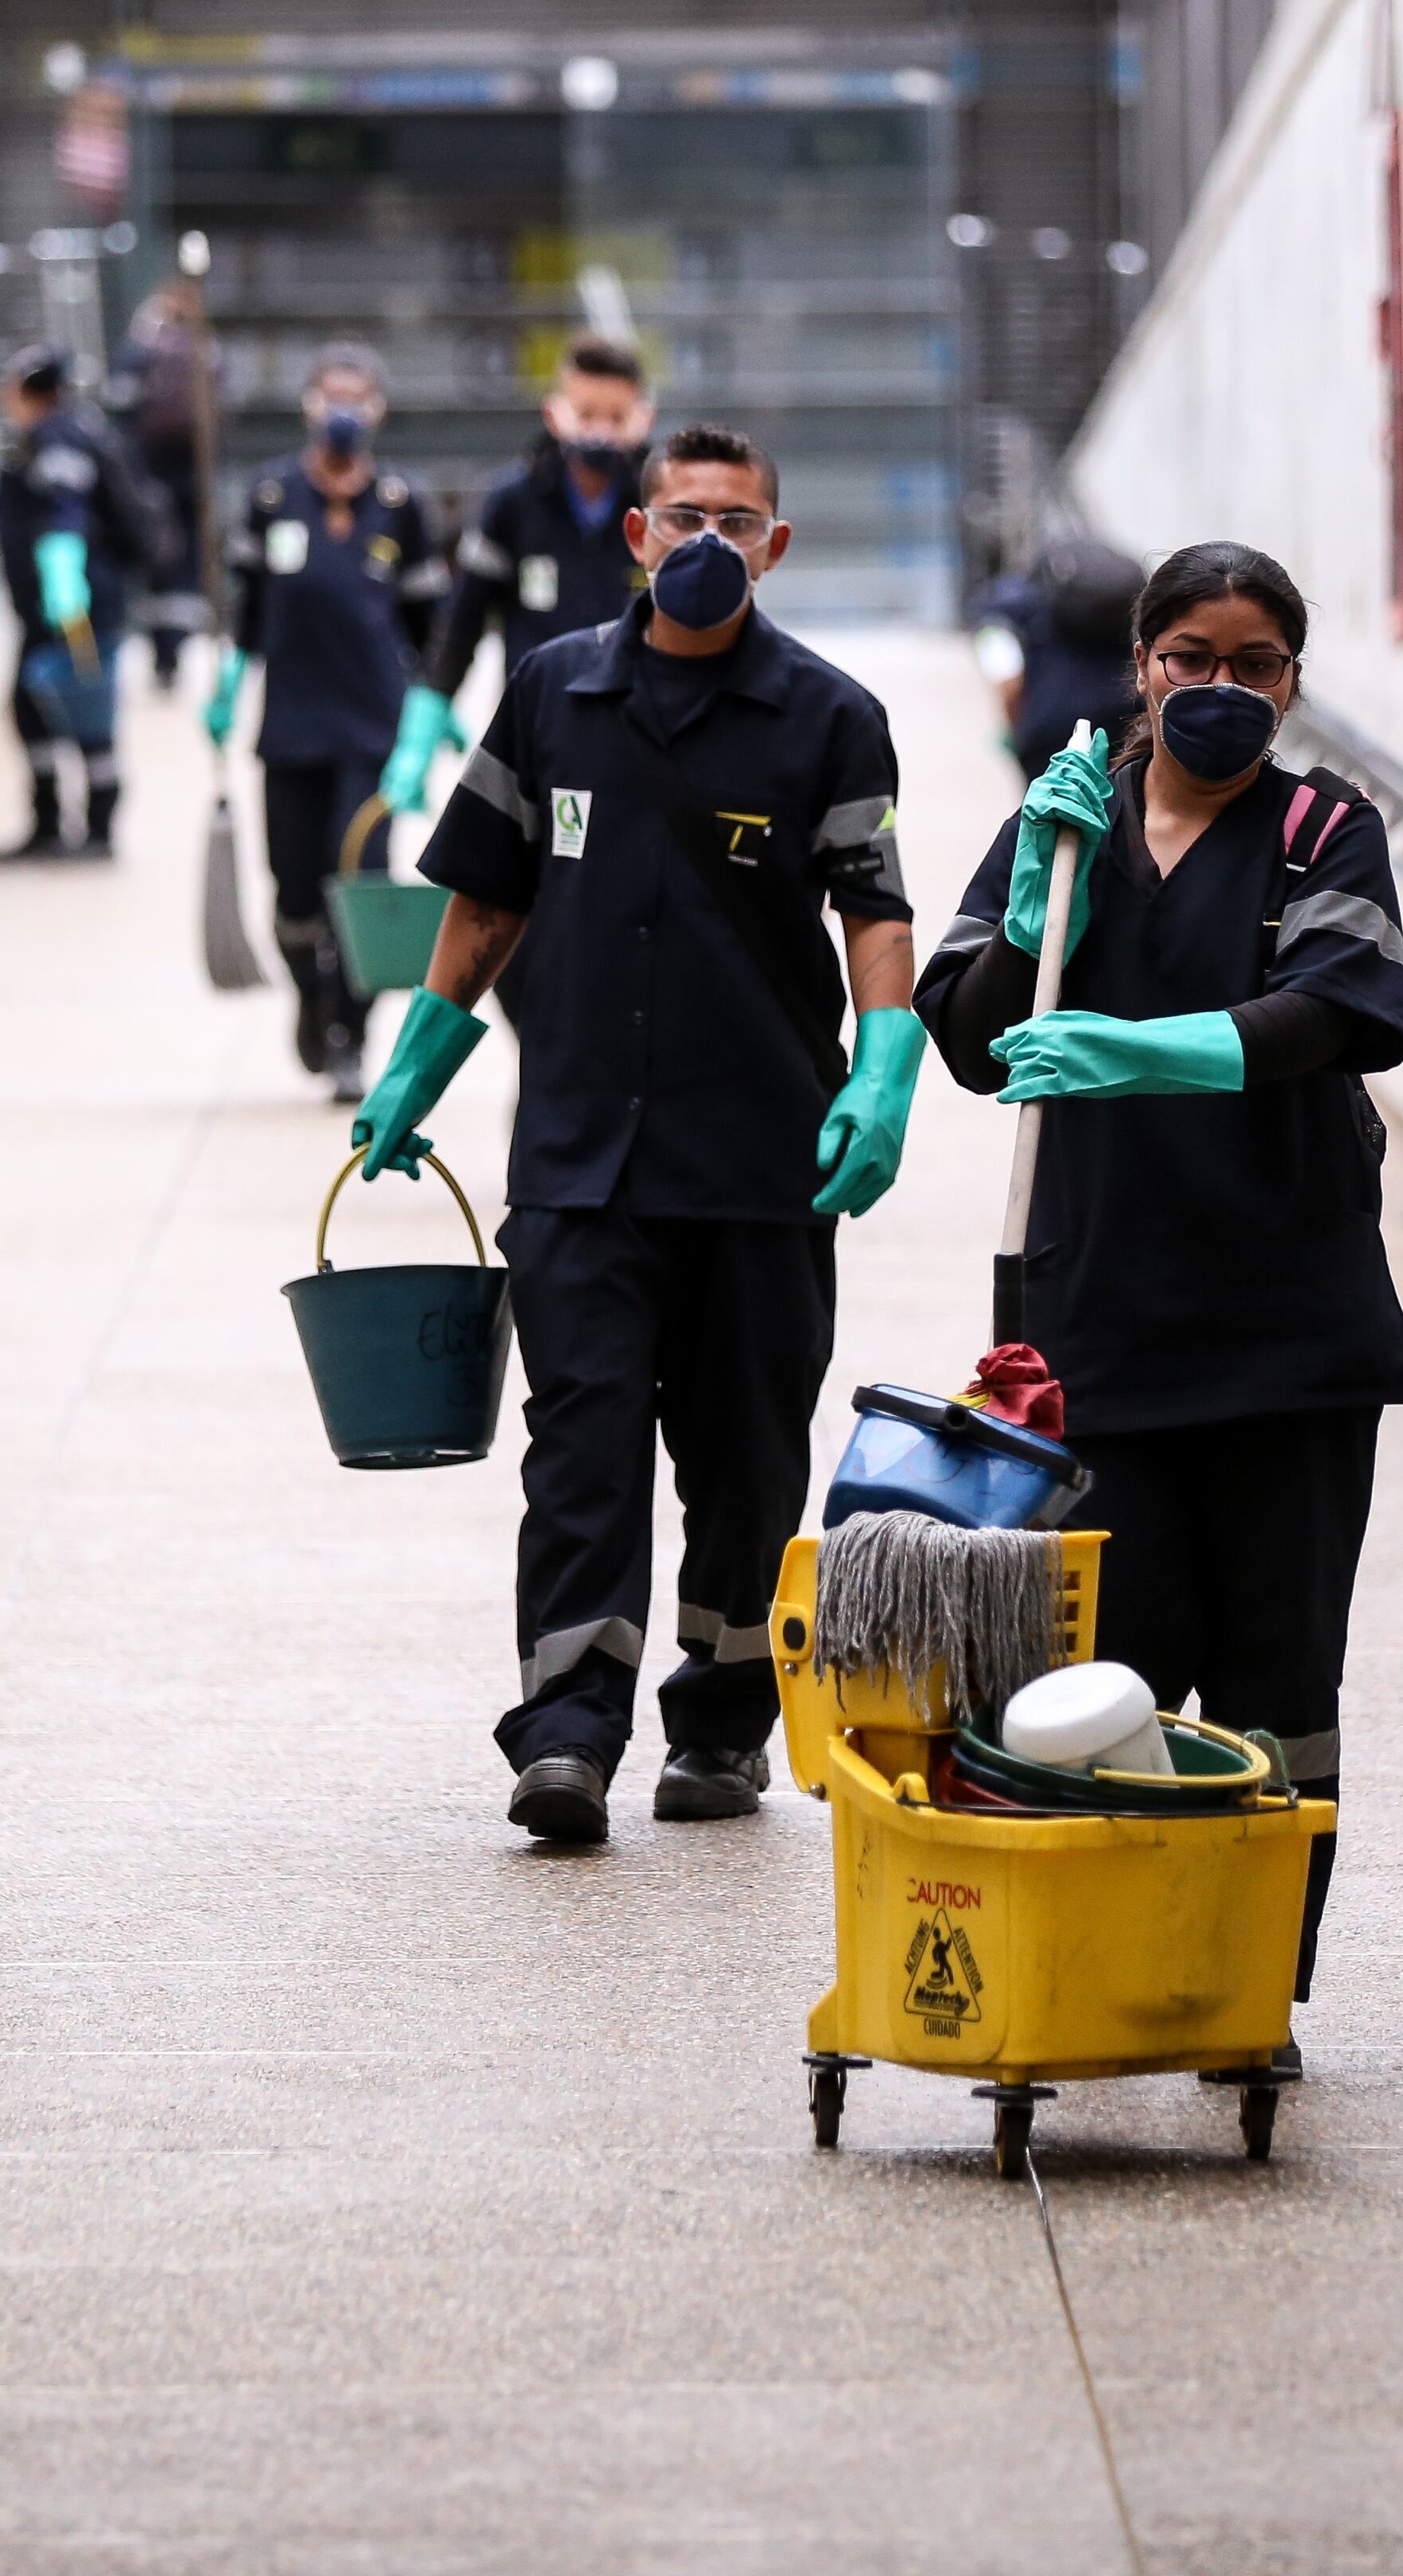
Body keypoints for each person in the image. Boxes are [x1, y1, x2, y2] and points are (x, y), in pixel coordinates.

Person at [356, 425, 922, 1843]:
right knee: (583, 1440)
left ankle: (721, 1723)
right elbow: (486, 894)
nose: (709, 538)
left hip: (760, 1160)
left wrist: (887, 1057)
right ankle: (567, 1728)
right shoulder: (555, 693)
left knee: (747, 1453)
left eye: (739, 517)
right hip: (579, 1160)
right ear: (638, 533)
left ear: (777, 544)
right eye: (685, 515)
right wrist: (420, 1058)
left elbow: (874, 907)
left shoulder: (830, 715)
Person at [914, 540, 1403, 2038]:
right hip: (1099, 1332)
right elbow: (966, 1031)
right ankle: (1121, 1970)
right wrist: (1022, 918)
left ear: (1292, 683)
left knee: (1282, 1686)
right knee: (1104, 1685)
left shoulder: (1322, 828)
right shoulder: (1059, 827)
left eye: (1252, 664)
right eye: (1188, 657)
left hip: (1290, 1336)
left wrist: (1148, 1050)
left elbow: (1347, 1008)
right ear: (1140, 665)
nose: (1218, 687)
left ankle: (1252, 1981)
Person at [207, 341, 454, 1100]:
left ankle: (351, 1035)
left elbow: (432, 622)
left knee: (364, 884)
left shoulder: (403, 507)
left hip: (373, 731)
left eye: (359, 396)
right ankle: (311, 999)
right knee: (293, 892)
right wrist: (226, 676)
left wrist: (434, 706)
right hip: (291, 726)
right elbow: (244, 609)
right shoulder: (272, 495)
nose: (343, 409)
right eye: (330, 394)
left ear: (378, 408)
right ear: (309, 402)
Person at [0, 345, 168, 865]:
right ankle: (49, 825)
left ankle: (97, 831)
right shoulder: (47, 439)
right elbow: (12, 503)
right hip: (47, 609)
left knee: (89, 717)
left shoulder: (62, 440)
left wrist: (63, 575)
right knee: (33, 713)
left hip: (77, 608)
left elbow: (64, 511)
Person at [424, 332, 654, 714]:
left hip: (637, 720)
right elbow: (466, 618)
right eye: (586, 414)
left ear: (645, 419)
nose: (600, 432)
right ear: (554, 413)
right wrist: (433, 703)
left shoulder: (663, 506)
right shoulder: (511, 502)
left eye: (617, 418)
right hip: (536, 720)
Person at [110, 278, 220, 690]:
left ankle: (164, 654)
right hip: (193, 474)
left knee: (159, 558)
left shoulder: (146, 344)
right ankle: (175, 651)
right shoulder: (205, 348)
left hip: (151, 472)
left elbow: (121, 402)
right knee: (186, 561)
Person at [971, 533, 1146, 780]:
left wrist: (1016, 733)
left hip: (1050, 729)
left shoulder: (1009, 607)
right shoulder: (1112, 600)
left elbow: (1008, 682)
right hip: (1123, 715)